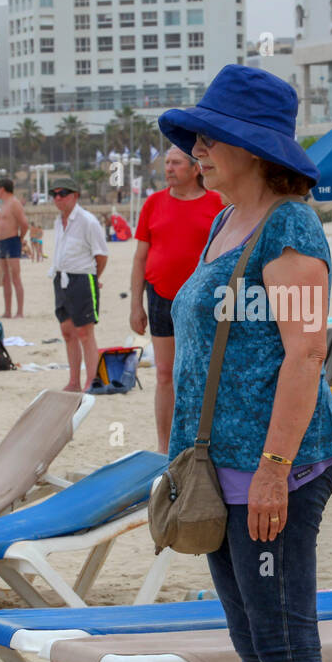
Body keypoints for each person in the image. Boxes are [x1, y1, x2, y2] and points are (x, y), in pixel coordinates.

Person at [160, 64, 332, 662]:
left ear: (256, 149)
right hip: (221, 470)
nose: (198, 151)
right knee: (259, 650)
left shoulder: (288, 228)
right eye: (199, 139)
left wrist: (273, 467)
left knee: (288, 648)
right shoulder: (227, 224)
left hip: (276, 469)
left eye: (212, 139)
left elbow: (304, 352)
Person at [130, 146, 225, 451]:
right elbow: (140, 257)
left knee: (203, 371)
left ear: (196, 168)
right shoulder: (153, 203)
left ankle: (203, 441)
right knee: (164, 373)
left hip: (203, 299)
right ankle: (165, 446)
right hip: (160, 295)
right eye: (167, 163)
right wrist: (135, 305)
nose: (168, 168)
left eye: (176, 163)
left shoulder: (217, 202)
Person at [48, 185, 109, 391]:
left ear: (75, 195)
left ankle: (91, 380)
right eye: (54, 195)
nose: (58, 198)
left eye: (62, 194)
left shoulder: (87, 221)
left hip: (82, 277)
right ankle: (73, 380)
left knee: (85, 331)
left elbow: (101, 255)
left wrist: (93, 277)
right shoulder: (59, 222)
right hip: (61, 277)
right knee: (67, 331)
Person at [0, 177, 30, 318]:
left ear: (2, 189)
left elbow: (24, 223)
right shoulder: (3, 204)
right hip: (2, 242)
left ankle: (19, 311)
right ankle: (7, 310)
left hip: (12, 240)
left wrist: (20, 238)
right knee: (5, 278)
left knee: (15, 276)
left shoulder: (14, 203)